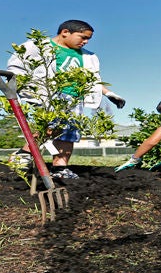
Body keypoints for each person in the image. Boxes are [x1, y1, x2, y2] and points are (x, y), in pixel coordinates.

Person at [7, 20, 126, 179]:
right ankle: (23, 154)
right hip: (48, 95)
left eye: (88, 39)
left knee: (70, 132)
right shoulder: (37, 46)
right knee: (52, 127)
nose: (85, 41)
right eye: (82, 37)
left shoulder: (88, 56)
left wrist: (110, 94)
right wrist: (19, 86)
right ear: (65, 32)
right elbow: (16, 67)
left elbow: (92, 80)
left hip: (75, 99)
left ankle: (59, 169)